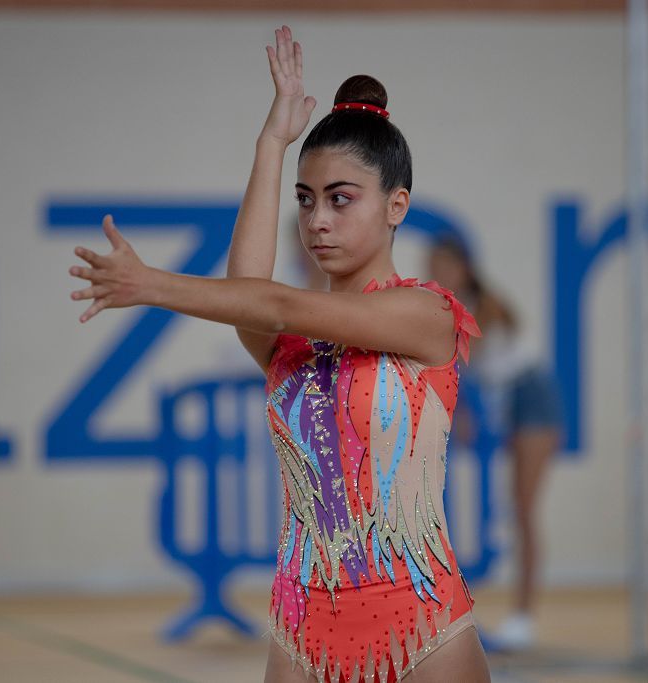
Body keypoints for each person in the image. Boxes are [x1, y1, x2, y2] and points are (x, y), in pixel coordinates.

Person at [69, 26, 491, 682]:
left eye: (341, 199)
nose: (318, 219)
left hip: (423, 632)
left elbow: (273, 303)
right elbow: (254, 296)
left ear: (396, 205)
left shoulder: (427, 314)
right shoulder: (289, 349)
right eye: (306, 199)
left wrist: (151, 283)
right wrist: (272, 143)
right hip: (301, 636)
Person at [428, 238, 564, 652]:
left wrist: (461, 407)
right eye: (433, 265)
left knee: (523, 508)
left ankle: (524, 616)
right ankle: (501, 613)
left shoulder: (481, 304)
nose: (439, 273)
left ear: (465, 269)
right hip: (509, 401)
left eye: (445, 265)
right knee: (515, 508)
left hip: (533, 397)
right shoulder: (449, 307)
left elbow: (463, 360)